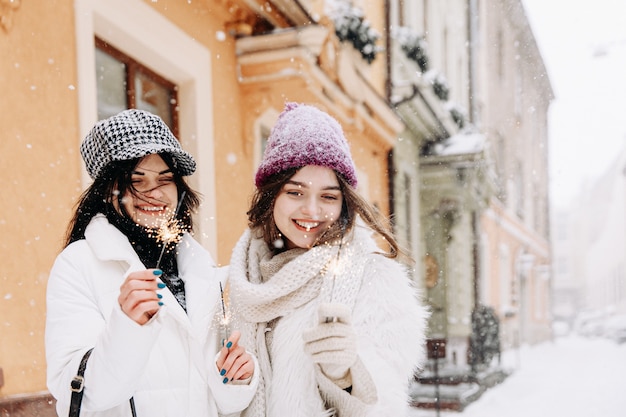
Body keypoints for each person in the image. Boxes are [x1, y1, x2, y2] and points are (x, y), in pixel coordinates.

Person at [45, 109, 258, 417]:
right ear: (108, 190)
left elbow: (218, 399)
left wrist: (235, 379)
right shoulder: (78, 264)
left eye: (165, 179)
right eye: (137, 179)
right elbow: (77, 395)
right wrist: (127, 326)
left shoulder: (201, 269)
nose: (154, 192)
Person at [227, 102, 429, 416]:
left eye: (328, 196)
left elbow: (385, 405)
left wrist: (346, 374)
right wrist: (231, 383)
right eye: (295, 192)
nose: (311, 210)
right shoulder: (241, 277)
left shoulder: (373, 278)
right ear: (272, 195)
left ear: (344, 203)